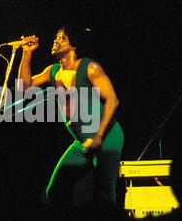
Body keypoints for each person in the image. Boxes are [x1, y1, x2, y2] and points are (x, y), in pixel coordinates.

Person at [17, 27, 124, 210]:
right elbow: (24, 88)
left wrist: (98, 137)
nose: (56, 41)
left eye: (62, 38)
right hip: (82, 142)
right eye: (56, 37)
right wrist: (27, 53)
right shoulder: (53, 71)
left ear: (73, 45)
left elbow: (113, 100)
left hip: (107, 136)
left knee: (104, 195)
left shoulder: (90, 67)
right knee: (55, 191)